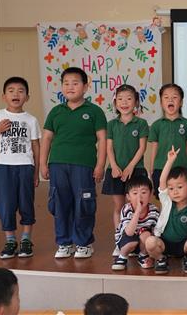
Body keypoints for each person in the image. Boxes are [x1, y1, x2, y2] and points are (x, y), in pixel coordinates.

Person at [40, 67, 107, 259]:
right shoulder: (56, 111)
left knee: (84, 203)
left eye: (75, 83)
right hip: (57, 164)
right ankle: (64, 242)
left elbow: (102, 139)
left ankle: (84, 243)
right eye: (66, 83)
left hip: (84, 165)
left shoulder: (94, 111)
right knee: (60, 203)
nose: (70, 87)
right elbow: (47, 138)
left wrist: (100, 165)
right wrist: (43, 163)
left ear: (85, 87)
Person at [0, 77, 41, 259]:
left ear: (27, 97)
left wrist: (36, 172)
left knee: (26, 203)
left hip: (25, 167)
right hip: (3, 166)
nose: (16, 94)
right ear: (4, 96)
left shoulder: (31, 120)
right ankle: (10, 240)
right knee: (5, 205)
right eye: (11, 90)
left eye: (21, 91)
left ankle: (26, 239)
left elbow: (36, 146)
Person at [145, 146, 187, 275]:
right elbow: (162, 181)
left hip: (184, 245)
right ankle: (161, 259)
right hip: (165, 244)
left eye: (179, 187)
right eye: (171, 188)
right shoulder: (167, 201)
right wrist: (170, 161)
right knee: (150, 242)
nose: (175, 192)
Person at [104, 84, 149, 256]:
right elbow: (109, 148)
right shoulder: (111, 124)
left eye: (129, 99)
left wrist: (130, 166)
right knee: (119, 206)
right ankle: (120, 241)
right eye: (120, 99)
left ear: (136, 102)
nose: (124, 103)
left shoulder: (141, 123)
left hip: (136, 170)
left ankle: (136, 241)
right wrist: (114, 166)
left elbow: (142, 148)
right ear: (115, 103)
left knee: (137, 206)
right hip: (115, 171)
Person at [148, 83, 187, 198]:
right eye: (166, 97)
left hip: (182, 168)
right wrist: (152, 168)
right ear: (161, 103)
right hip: (161, 168)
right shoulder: (156, 125)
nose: (170, 100)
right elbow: (154, 148)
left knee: (182, 200)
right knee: (163, 199)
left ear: (181, 102)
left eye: (174, 97)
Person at [111, 175, 159, 271]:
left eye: (144, 192)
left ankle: (143, 255)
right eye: (135, 193)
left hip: (142, 242)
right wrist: (137, 212)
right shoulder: (127, 209)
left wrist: (152, 255)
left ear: (150, 194)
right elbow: (128, 233)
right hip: (126, 240)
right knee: (131, 241)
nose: (139, 197)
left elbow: (156, 233)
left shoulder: (154, 210)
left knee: (147, 234)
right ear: (128, 196)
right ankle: (122, 256)